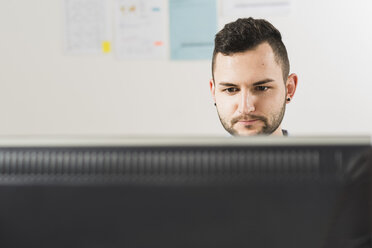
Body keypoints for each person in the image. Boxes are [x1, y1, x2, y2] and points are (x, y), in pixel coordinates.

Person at [210, 17, 298, 136]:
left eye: (261, 88)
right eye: (231, 89)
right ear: (213, 92)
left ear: (289, 89)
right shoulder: (195, 155)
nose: (245, 108)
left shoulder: (319, 155)